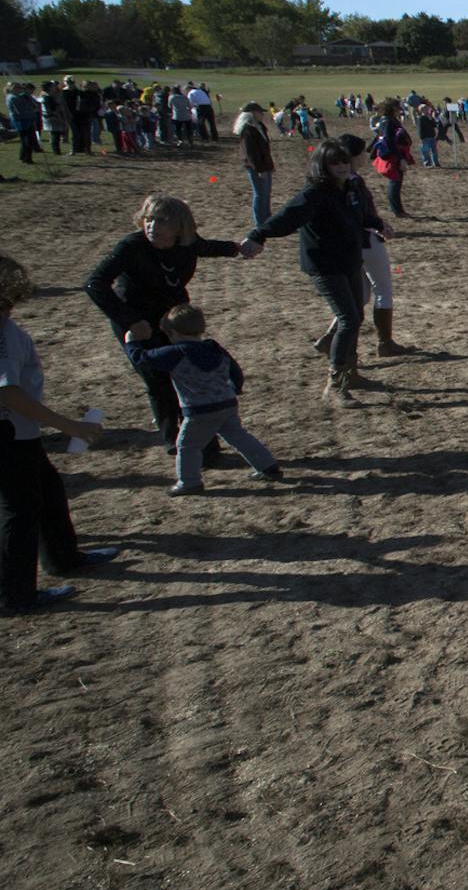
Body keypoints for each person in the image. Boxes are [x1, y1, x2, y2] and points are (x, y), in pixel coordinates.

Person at [85, 195, 262, 448]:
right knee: (157, 380)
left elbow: (206, 247)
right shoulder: (130, 247)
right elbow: (94, 283)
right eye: (148, 219)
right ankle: (173, 441)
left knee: (187, 375)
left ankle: (204, 440)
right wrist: (130, 320)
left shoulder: (187, 244)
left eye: (161, 221)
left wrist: (237, 248)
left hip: (173, 318)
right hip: (139, 323)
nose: (152, 226)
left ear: (179, 227)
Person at [0, 254, 121, 613]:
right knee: (19, 512)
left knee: (49, 492)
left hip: (19, 434)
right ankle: (15, 596)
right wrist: (70, 426)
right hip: (8, 433)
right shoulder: (2, 336)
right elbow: (7, 392)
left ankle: (63, 557)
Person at [122, 304, 280, 495]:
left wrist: (130, 341)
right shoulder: (215, 348)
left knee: (187, 445)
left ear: (171, 333)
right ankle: (268, 466)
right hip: (227, 403)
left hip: (198, 411)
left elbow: (142, 359)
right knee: (239, 436)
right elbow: (235, 370)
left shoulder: (175, 353)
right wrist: (235, 388)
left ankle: (189, 482)